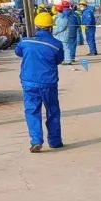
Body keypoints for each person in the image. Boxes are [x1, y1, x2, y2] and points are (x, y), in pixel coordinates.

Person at [16, 11, 65, 153]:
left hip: (29, 82)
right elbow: (59, 60)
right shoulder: (57, 45)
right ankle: (55, 141)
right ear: (51, 28)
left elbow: (18, 52)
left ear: (36, 27)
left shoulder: (25, 42)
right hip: (48, 83)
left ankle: (36, 141)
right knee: (53, 111)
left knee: (32, 111)